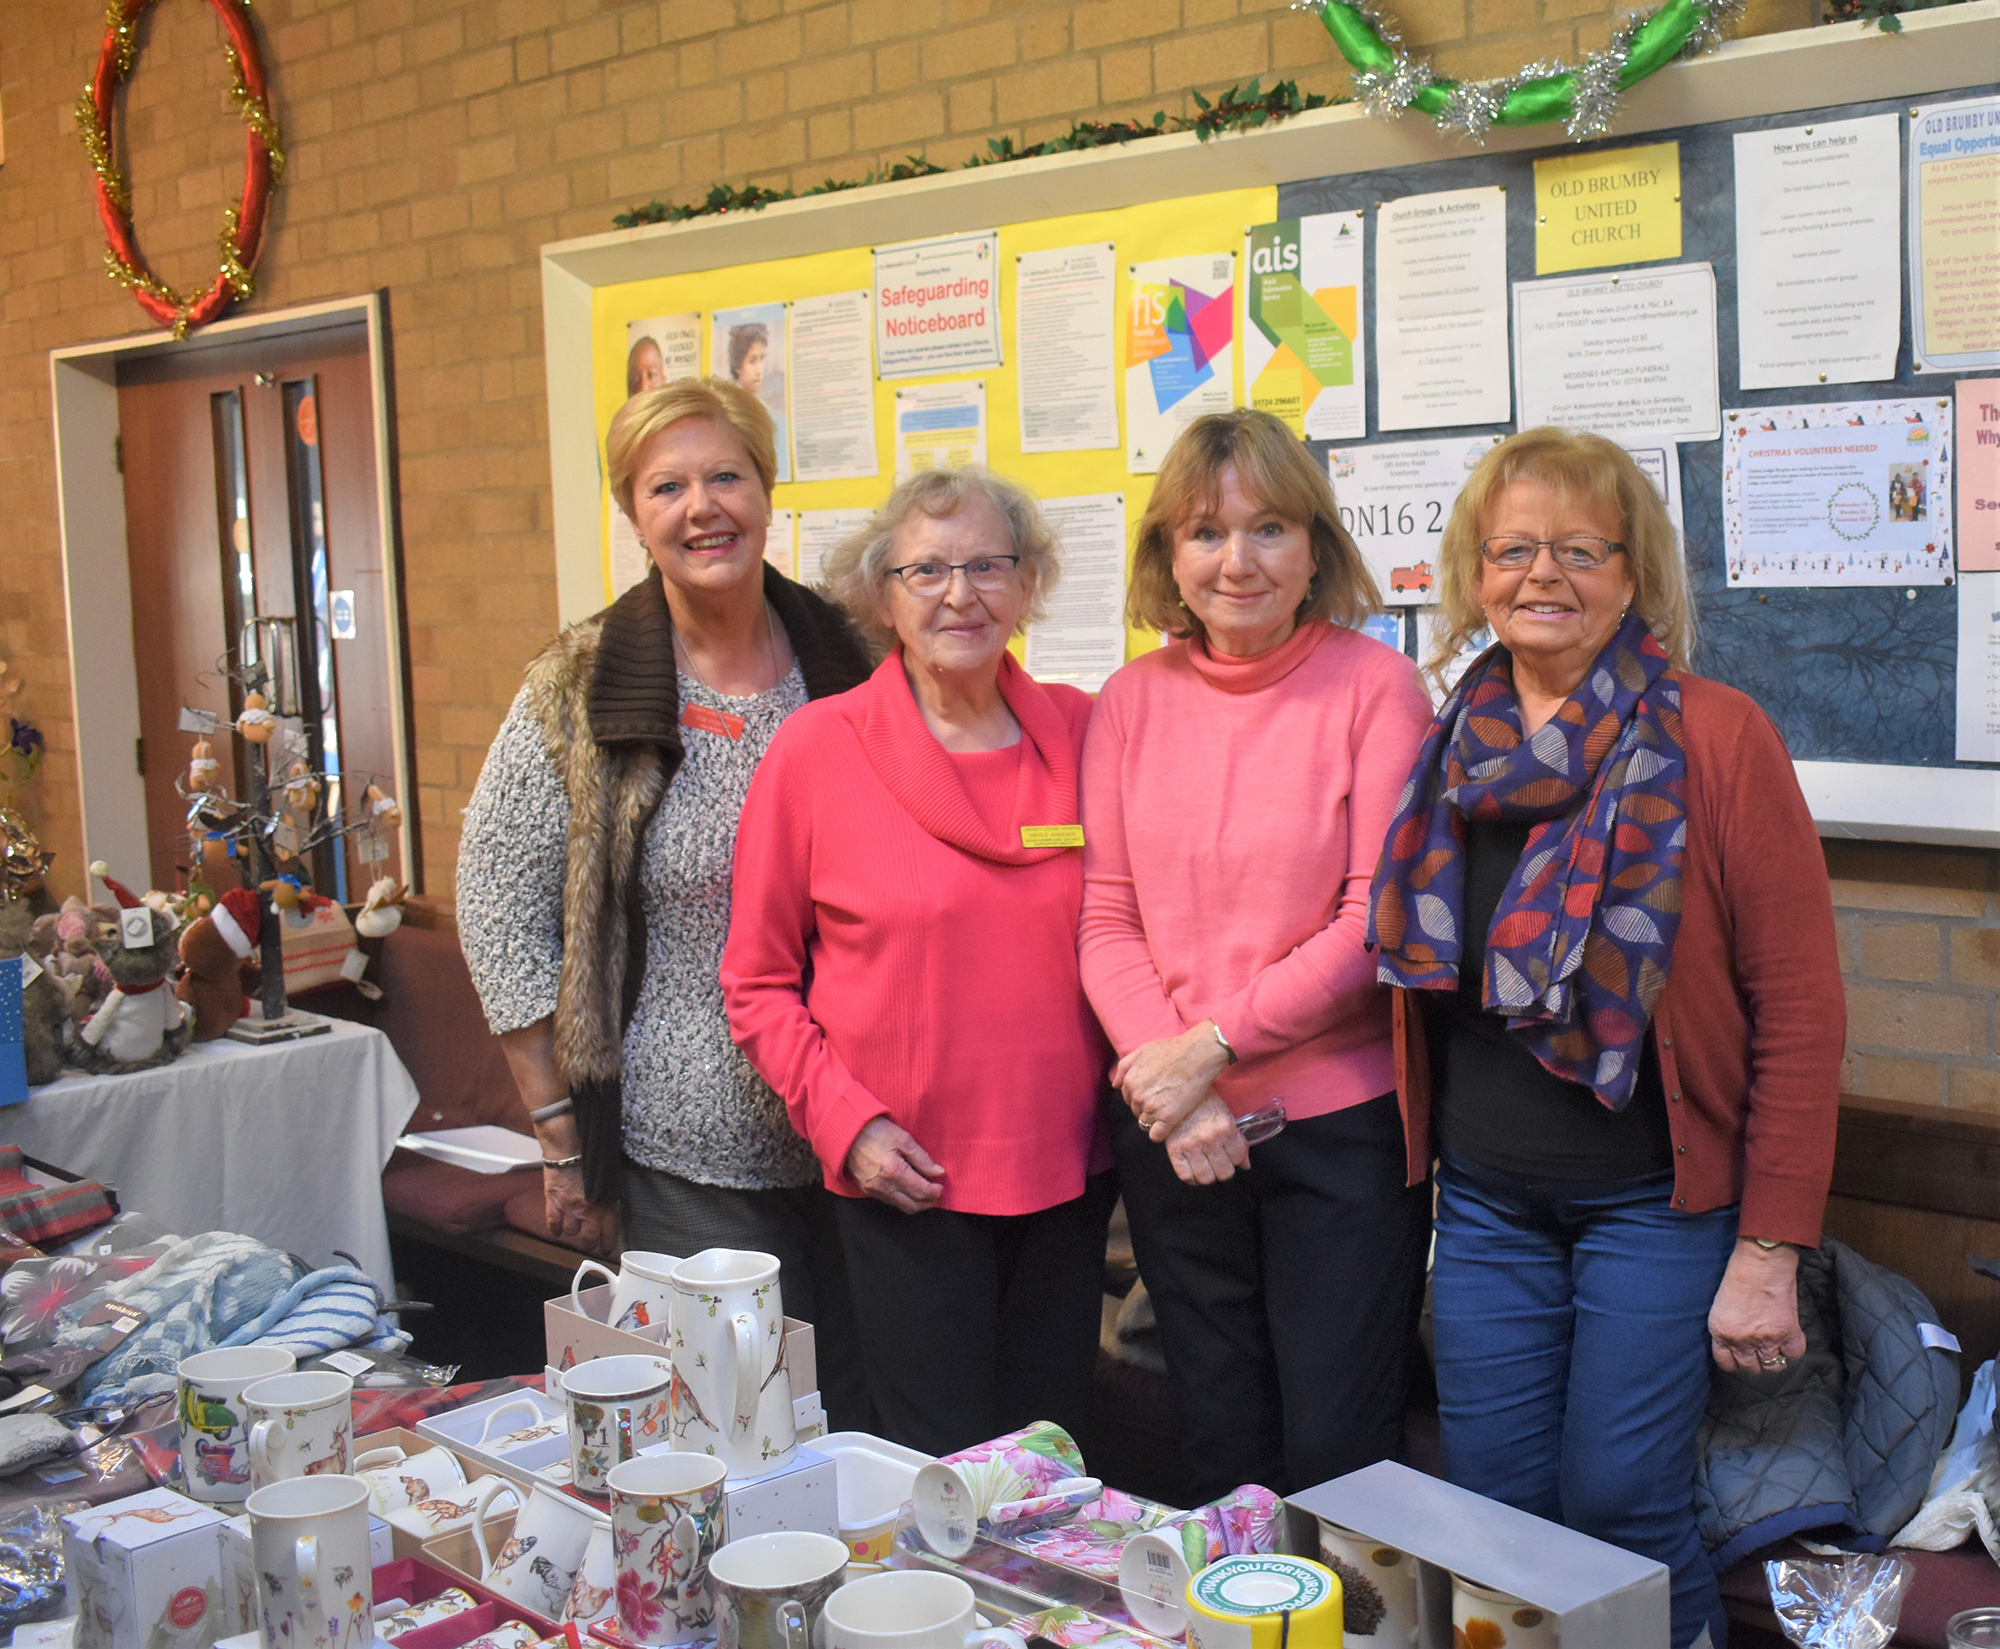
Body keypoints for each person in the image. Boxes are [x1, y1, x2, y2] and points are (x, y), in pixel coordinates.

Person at [1367, 426, 1843, 1649]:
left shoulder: (1714, 737)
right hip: (1485, 1205)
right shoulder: (1448, 744)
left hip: (1654, 1206)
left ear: (1633, 575)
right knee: (1493, 1512)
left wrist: (1768, 1248)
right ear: (1474, 574)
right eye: (1512, 549)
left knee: (1621, 1502)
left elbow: (1798, 1009)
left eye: (1580, 549)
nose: (1543, 573)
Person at [457, 376, 875, 1425]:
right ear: (633, 513)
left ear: (766, 489)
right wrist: (559, 1132)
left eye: (725, 475)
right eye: (667, 487)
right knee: (737, 1431)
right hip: (683, 1153)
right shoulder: (578, 683)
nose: (703, 507)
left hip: (869, 1140)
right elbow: (499, 909)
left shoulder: (858, 660)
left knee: (866, 1426)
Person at [1077, 409, 1435, 1500]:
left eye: (1268, 528)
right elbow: (1105, 916)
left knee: (1339, 1452)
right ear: (1168, 557)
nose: (1236, 560)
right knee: (1218, 1441)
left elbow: (1371, 918)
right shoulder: (1127, 702)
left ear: (1315, 548)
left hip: (1337, 1138)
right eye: (1205, 531)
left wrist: (1209, 1049)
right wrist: (1178, 1085)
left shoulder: (1376, 688)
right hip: (1176, 1133)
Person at [722, 466, 1115, 1458]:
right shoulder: (818, 750)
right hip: (903, 1180)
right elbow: (756, 983)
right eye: (926, 570)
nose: (959, 593)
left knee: (1050, 1467)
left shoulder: (1083, 732)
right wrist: (844, 1124)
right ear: (882, 594)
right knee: (931, 1475)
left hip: (1069, 1175)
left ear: (1027, 584)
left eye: (988, 565)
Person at [728, 325, 768, 396]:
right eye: (752, 361)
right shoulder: (728, 399)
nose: (759, 371)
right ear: (738, 365)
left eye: (761, 359)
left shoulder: (756, 400)